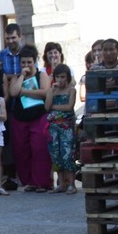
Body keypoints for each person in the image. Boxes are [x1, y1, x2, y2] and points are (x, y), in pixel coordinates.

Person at [7, 45, 52, 192]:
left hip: (38, 116)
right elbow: (14, 92)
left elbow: (45, 92)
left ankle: (41, 182)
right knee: (22, 150)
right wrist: (22, 76)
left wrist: (24, 91)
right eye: (23, 62)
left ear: (35, 61)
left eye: (29, 62)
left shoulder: (41, 75)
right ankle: (29, 181)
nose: (26, 65)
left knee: (39, 149)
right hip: (20, 118)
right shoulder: (16, 77)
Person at [46, 63, 77, 193]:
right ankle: (61, 183)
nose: (60, 80)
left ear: (68, 77)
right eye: (58, 77)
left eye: (63, 77)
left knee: (67, 154)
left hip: (66, 127)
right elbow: (46, 107)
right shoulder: (51, 91)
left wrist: (54, 107)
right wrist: (52, 92)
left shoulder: (71, 90)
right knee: (56, 154)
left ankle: (71, 184)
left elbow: (69, 107)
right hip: (53, 128)